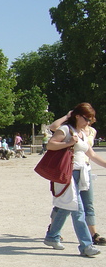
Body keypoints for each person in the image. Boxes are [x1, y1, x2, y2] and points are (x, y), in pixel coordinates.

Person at [43, 103, 106, 257]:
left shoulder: (82, 133)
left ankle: (52, 236)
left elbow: (91, 154)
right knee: (78, 210)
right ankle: (86, 245)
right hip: (68, 174)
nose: (88, 123)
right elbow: (50, 145)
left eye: (90, 120)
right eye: (86, 119)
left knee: (66, 208)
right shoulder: (66, 130)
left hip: (82, 172)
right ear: (77, 116)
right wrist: (70, 143)